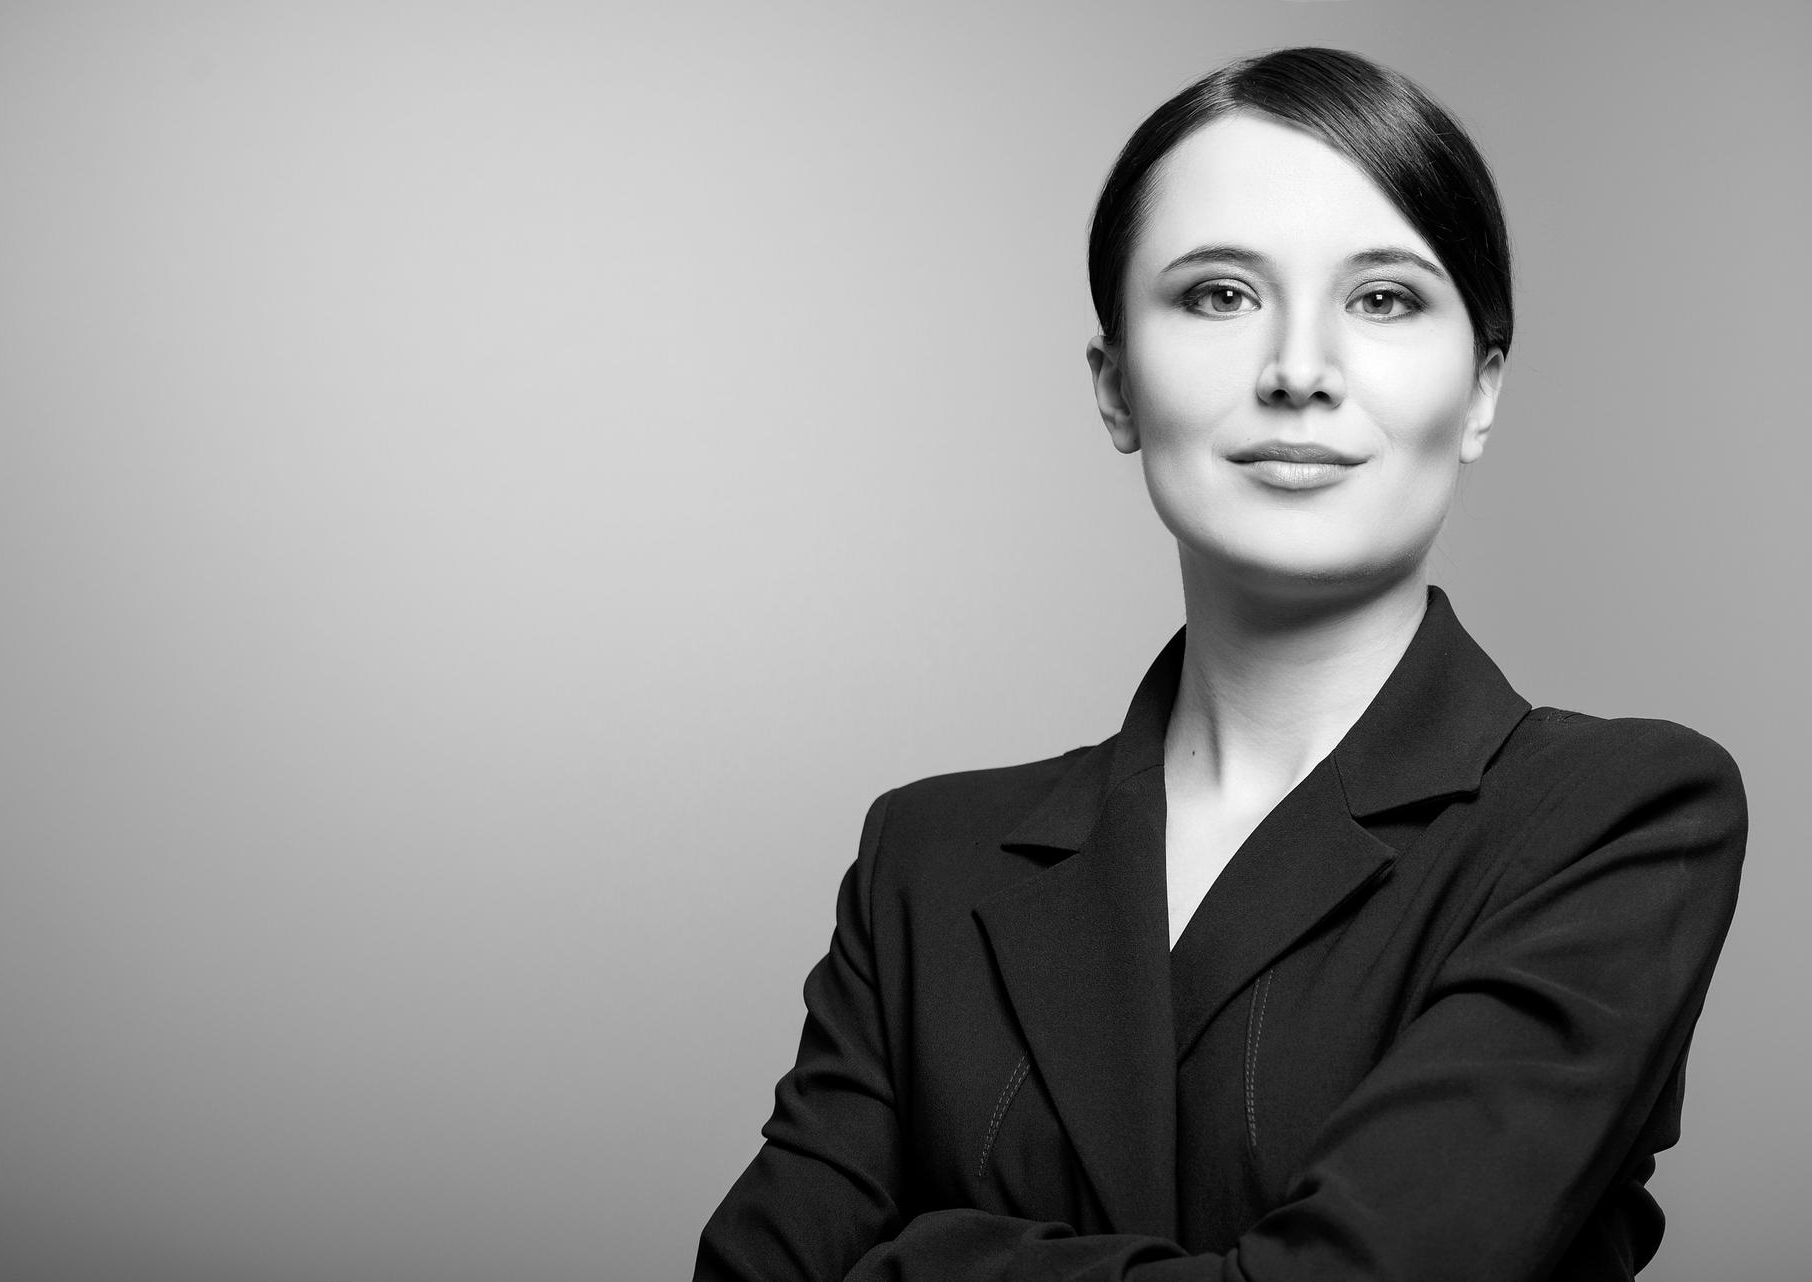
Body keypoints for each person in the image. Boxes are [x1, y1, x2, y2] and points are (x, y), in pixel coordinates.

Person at [693, 47, 1745, 1282]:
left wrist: (919, 1260)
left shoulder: (1615, 817)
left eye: (1387, 300)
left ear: (1481, 392)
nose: (1300, 370)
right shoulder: (924, 858)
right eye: (1220, 296)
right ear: (1115, 386)